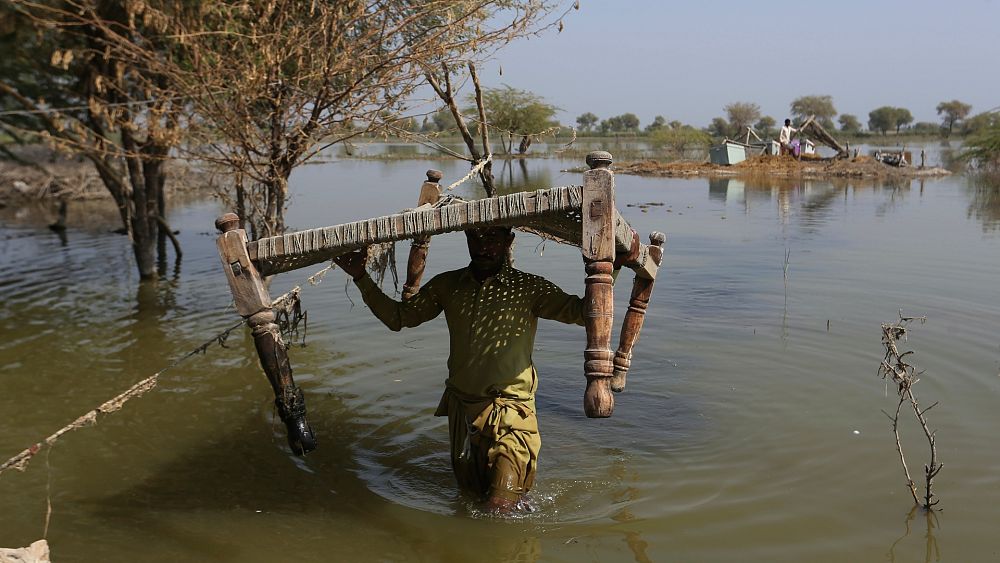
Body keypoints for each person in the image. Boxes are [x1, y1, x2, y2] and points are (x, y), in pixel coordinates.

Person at [333, 226, 587, 513]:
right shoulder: (448, 285)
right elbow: (399, 318)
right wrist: (361, 277)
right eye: (474, 238)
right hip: (462, 413)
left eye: (491, 239)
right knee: (471, 501)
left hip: (511, 414)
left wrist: (609, 269)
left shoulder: (529, 288)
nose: (482, 247)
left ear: (508, 241)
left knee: (500, 505)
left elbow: (583, 312)